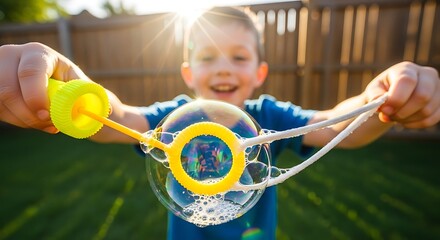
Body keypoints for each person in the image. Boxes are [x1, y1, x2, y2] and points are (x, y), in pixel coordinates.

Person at [0, 6, 439, 240]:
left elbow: (331, 128)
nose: (224, 68)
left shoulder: (269, 117)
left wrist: (376, 101)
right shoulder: (171, 120)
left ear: (259, 73)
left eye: (239, 57)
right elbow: (118, 119)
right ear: (188, 73)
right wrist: (73, 89)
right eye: (208, 58)